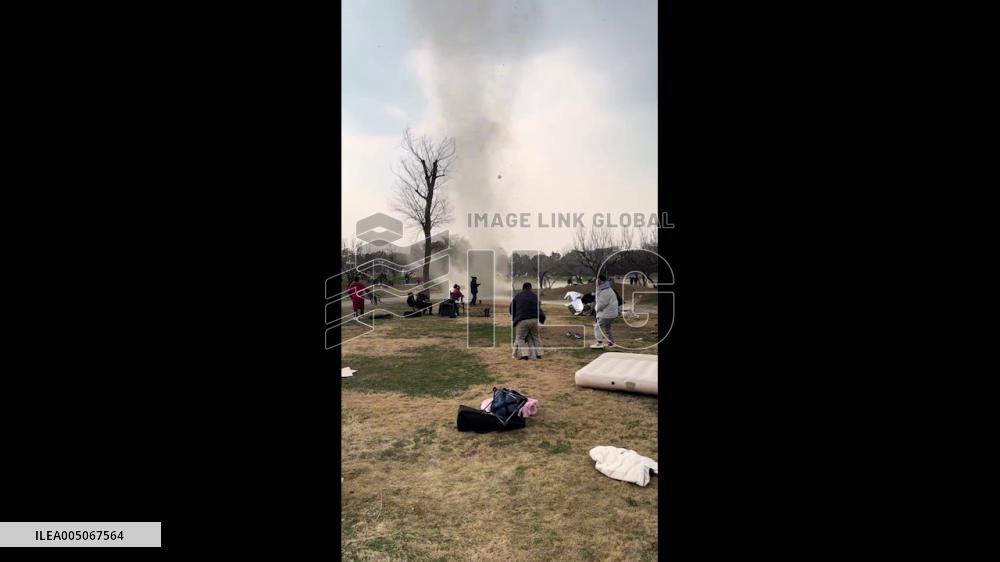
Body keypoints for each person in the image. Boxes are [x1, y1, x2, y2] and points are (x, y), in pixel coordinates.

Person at [509, 282, 546, 360]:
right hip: (535, 319)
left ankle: (524, 355)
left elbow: (511, 309)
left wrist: (515, 316)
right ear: (530, 288)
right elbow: (538, 305)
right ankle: (539, 354)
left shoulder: (518, 296)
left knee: (520, 338)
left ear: (523, 288)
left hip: (522, 320)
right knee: (535, 337)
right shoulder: (534, 296)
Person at [590, 274, 619, 349]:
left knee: (597, 327)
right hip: (611, 313)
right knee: (607, 328)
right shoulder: (606, 289)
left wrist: (595, 309)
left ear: (600, 281)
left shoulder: (605, 291)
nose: (595, 282)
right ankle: (611, 342)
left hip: (607, 313)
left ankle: (599, 342)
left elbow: (601, 304)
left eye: (597, 280)